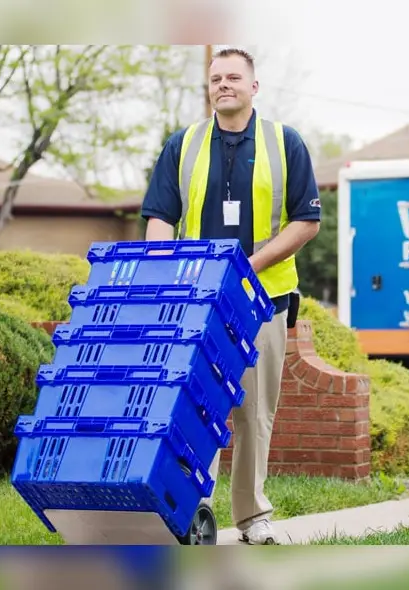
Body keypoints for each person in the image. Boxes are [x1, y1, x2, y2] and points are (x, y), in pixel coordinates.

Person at [141, 47, 321, 545]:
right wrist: (165, 274)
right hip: (195, 303)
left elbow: (306, 221)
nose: (223, 84)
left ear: (253, 87)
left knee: (254, 412)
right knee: (192, 409)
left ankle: (252, 516)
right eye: (216, 78)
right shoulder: (183, 144)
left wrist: (245, 268)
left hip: (263, 299)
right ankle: (188, 508)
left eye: (233, 77)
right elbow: (160, 217)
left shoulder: (285, 143)